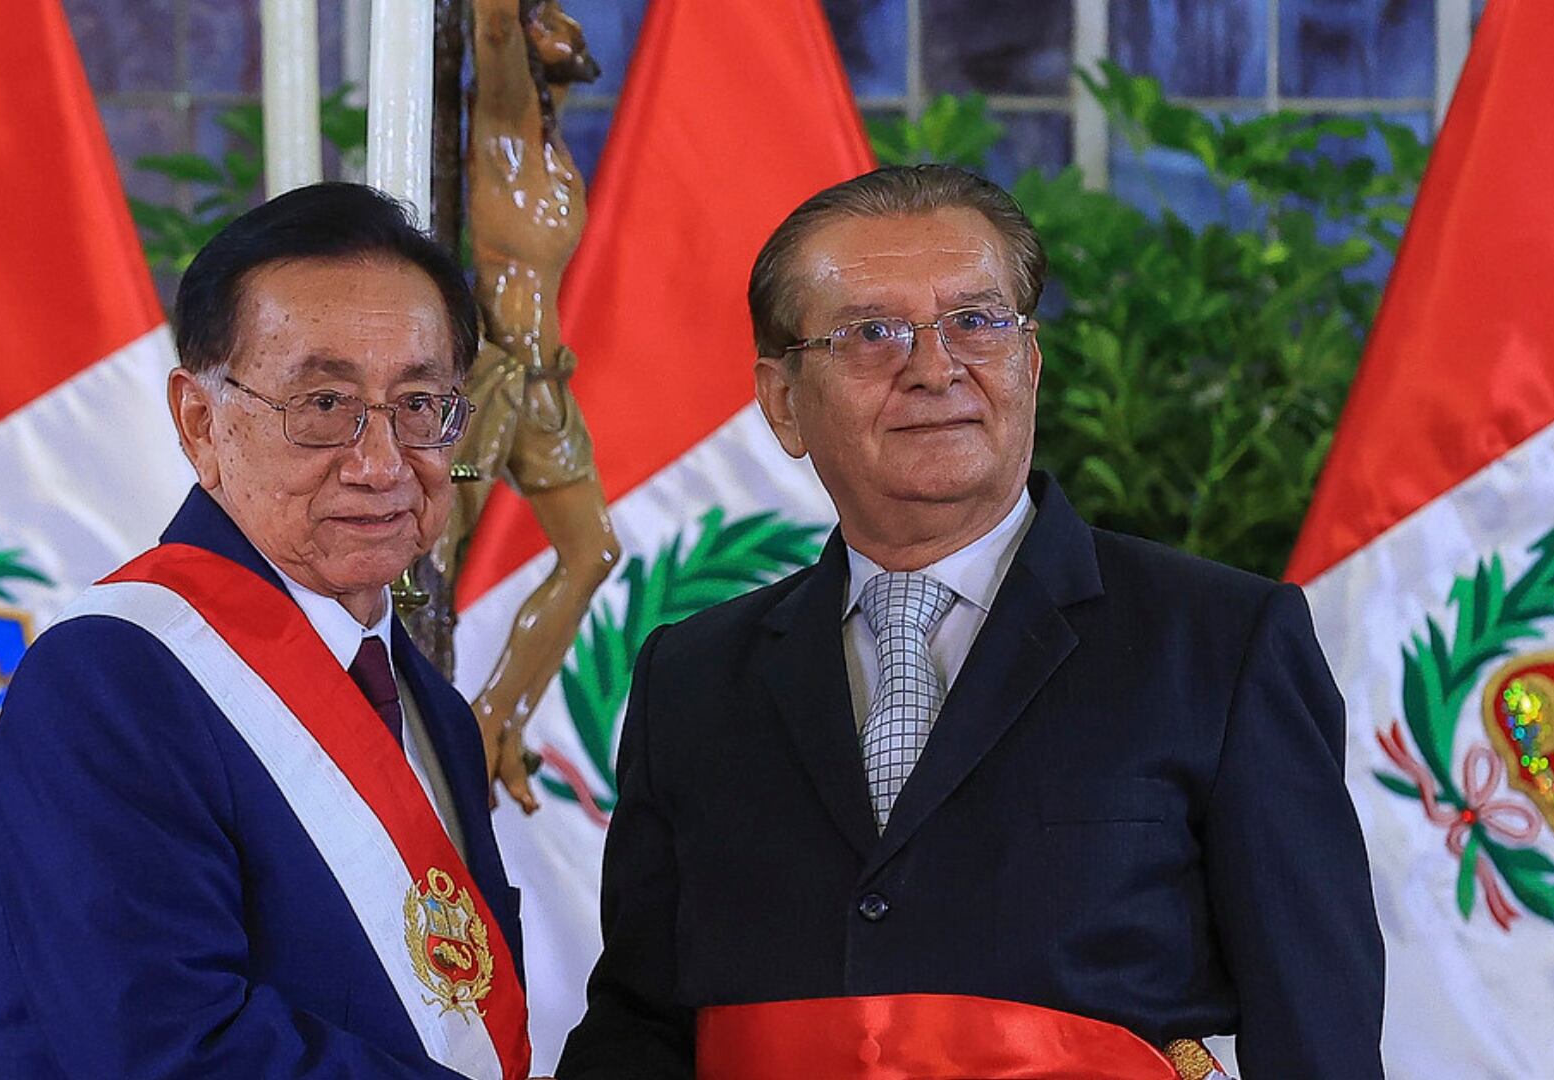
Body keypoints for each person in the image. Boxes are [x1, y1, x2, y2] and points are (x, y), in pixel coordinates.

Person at [558, 165, 1384, 1079]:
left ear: (1028, 363)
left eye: (976, 323)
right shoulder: (693, 677)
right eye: (873, 332)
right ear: (783, 401)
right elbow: (641, 1023)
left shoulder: (1222, 645)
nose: (934, 367)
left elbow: (1319, 1037)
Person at [0, 183, 531, 1079]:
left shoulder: (430, 705)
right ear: (201, 423)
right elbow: (161, 1052)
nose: (382, 462)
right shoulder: (112, 682)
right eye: (322, 406)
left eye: (420, 403)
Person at [435, 0, 620, 812]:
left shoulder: (550, 149)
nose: (572, 29)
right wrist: (508, 17)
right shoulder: (505, 126)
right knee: (425, 560)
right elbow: (494, 24)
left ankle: (495, 717)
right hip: (498, 381)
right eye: (551, 15)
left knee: (594, 553)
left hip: (547, 384)